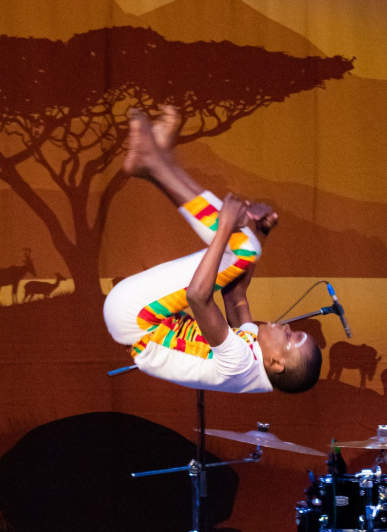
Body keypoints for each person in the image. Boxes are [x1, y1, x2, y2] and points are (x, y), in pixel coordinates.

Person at [103, 107, 322, 394]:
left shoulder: (241, 365)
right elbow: (235, 295)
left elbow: (197, 296)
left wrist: (225, 228)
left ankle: (155, 164)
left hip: (134, 318)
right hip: (143, 320)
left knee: (242, 249)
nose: (285, 327)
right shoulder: (257, 360)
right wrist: (262, 232)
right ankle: (158, 165)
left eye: (290, 337)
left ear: (276, 363)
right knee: (247, 247)